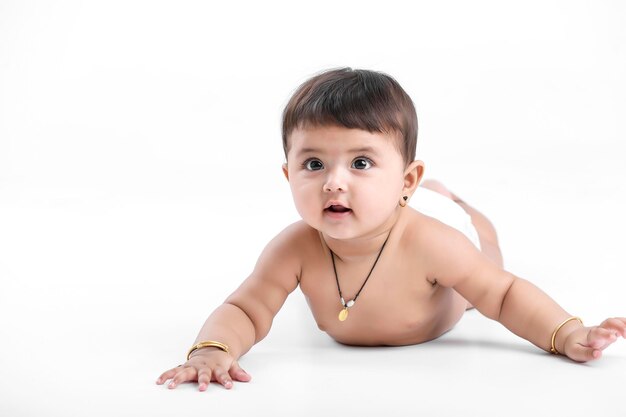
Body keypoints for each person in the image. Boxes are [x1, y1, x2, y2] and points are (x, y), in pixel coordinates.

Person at [156, 68, 626, 392]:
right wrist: (211, 351)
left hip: (452, 270)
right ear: (288, 177)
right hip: (391, 231)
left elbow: (503, 296)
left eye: (361, 162)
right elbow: (246, 307)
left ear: (406, 181)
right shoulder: (293, 247)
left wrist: (565, 333)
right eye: (313, 164)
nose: (333, 181)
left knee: (486, 254)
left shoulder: (432, 243)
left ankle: (458, 202)